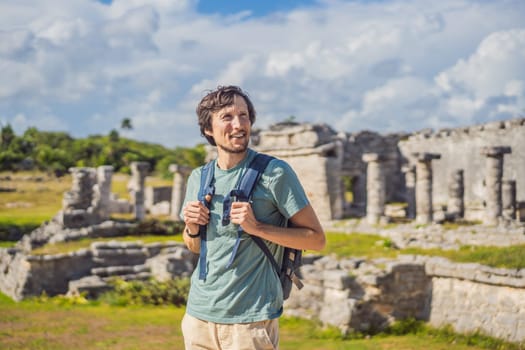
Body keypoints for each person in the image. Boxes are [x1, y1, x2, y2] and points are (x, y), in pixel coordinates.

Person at [180, 85, 326, 349]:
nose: (239, 124)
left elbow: (316, 240)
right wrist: (191, 228)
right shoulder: (198, 178)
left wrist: (256, 227)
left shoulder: (276, 173)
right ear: (208, 129)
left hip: (250, 322)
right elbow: (196, 247)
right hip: (198, 318)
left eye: (244, 115)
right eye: (227, 117)